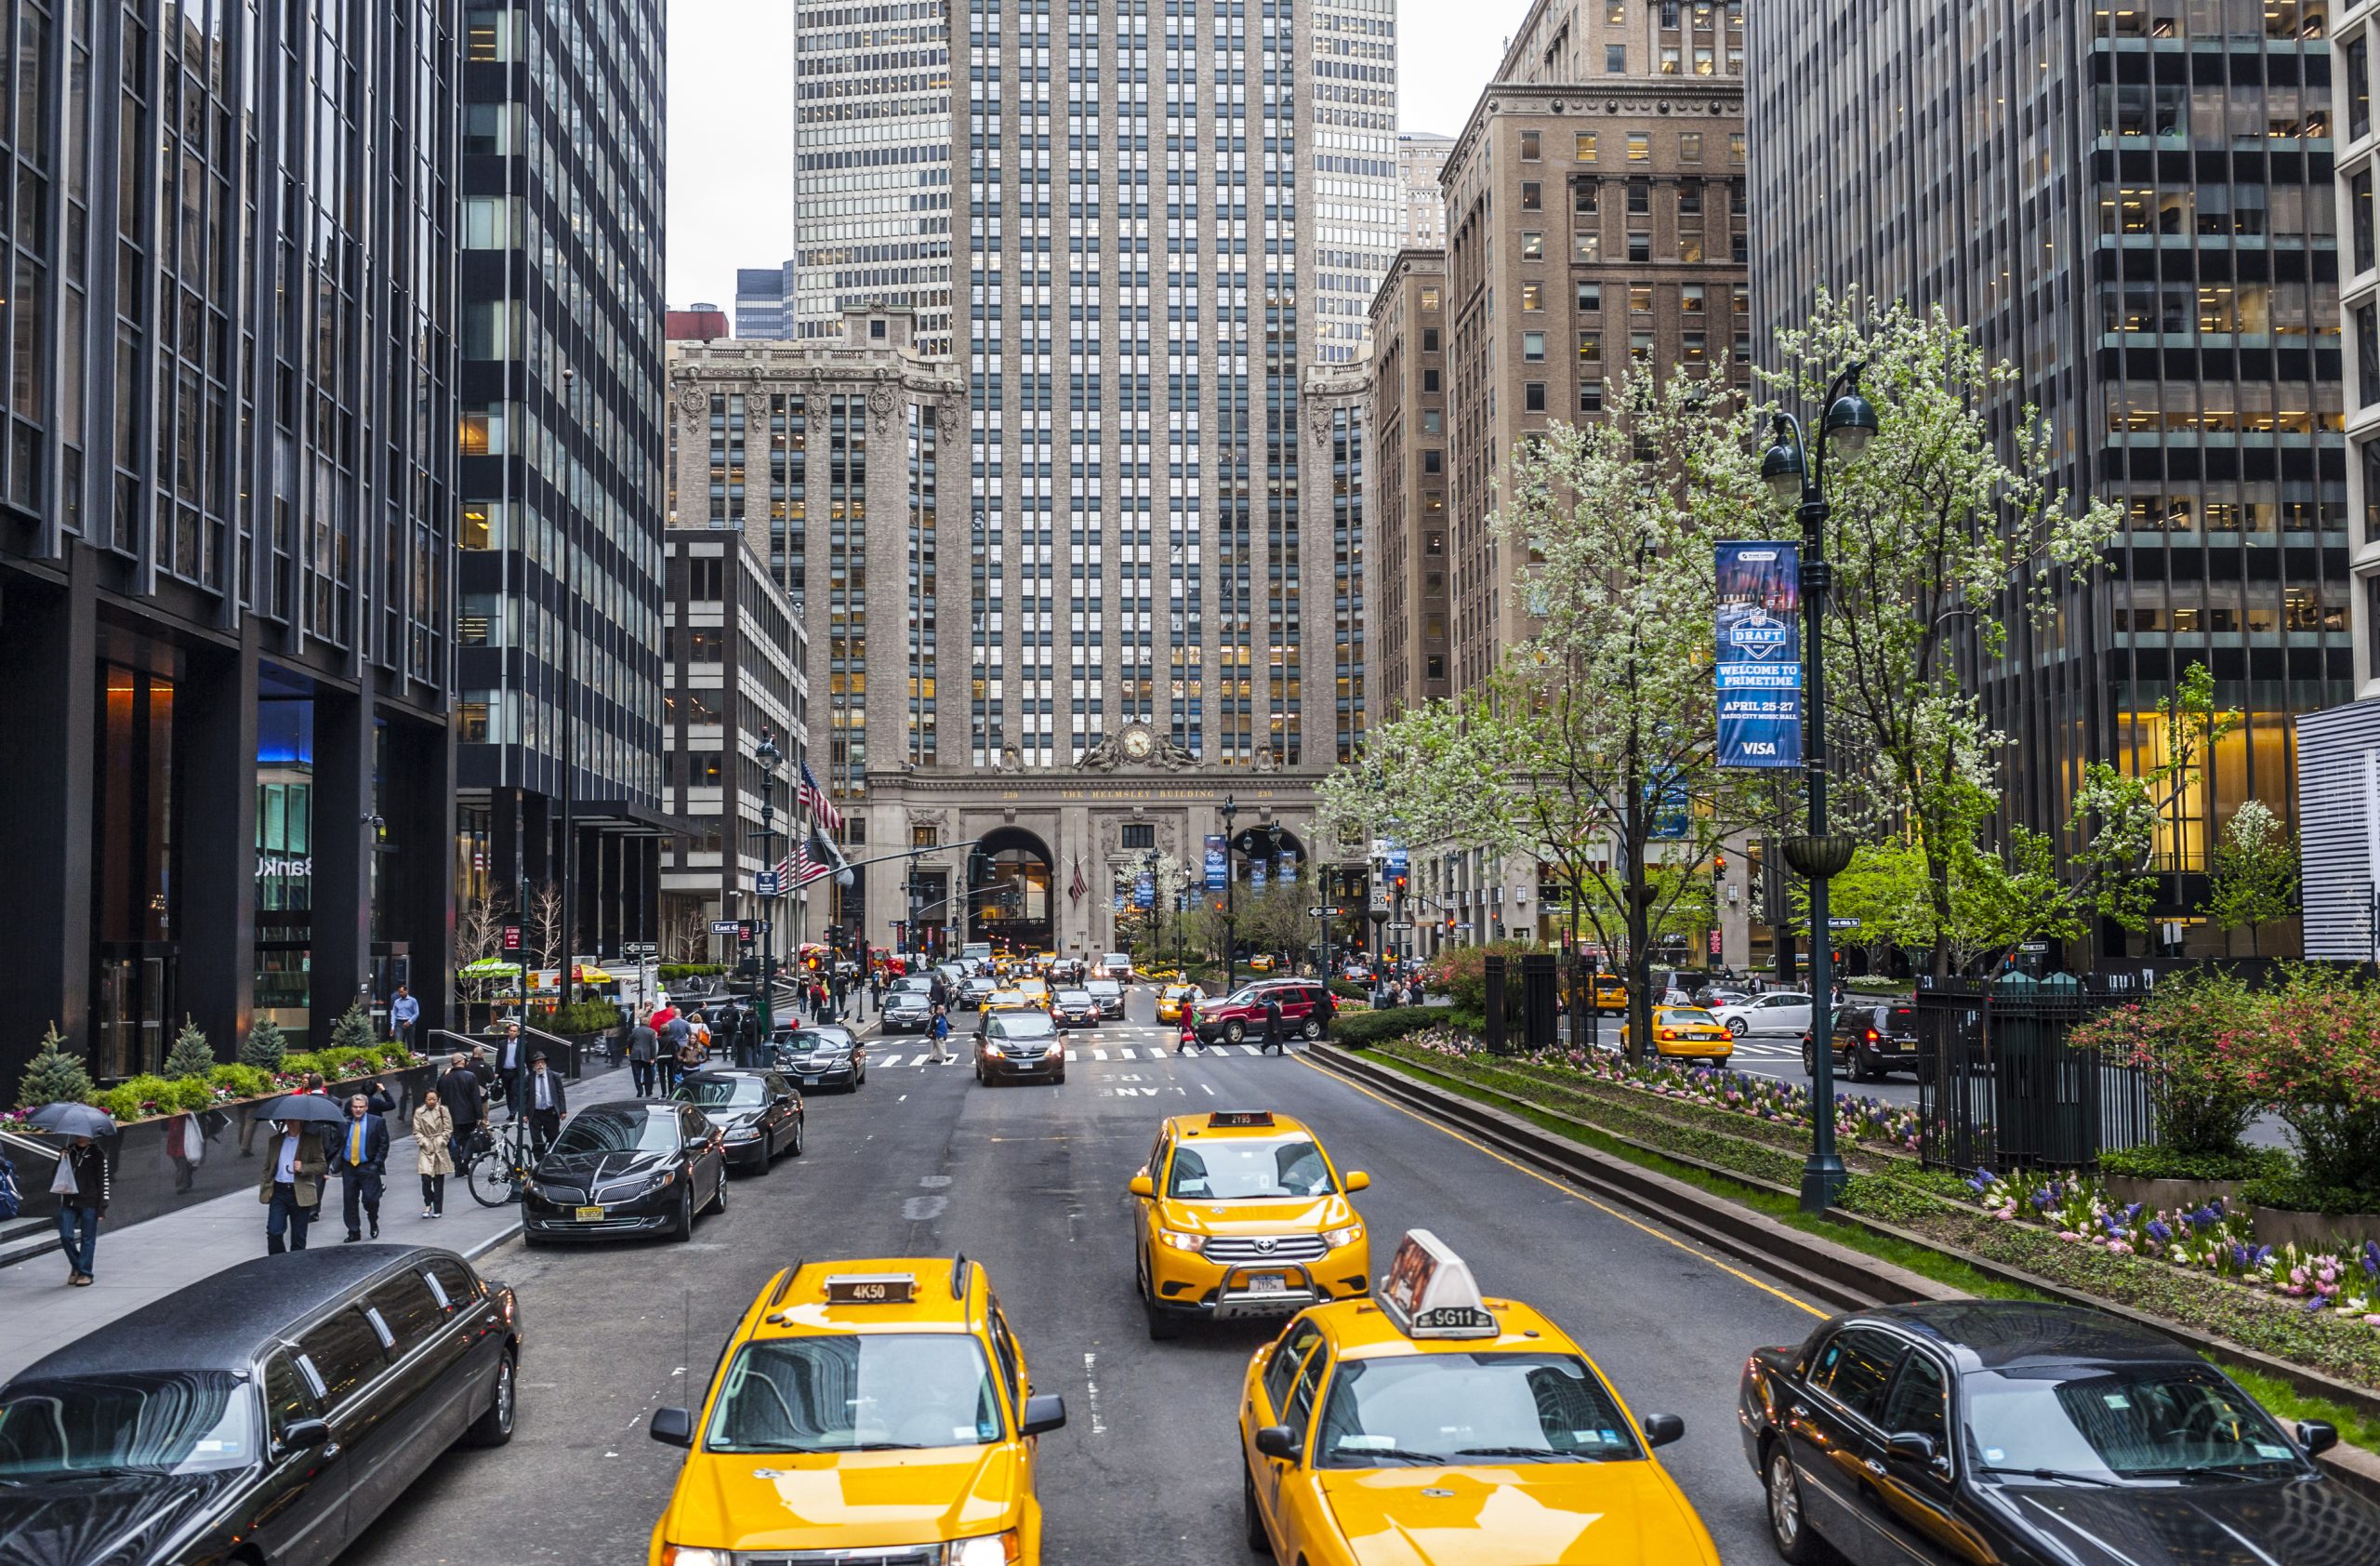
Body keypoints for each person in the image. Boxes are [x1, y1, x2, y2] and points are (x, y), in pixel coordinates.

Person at [259, 1119, 327, 1254]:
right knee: (274, 1231)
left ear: (301, 1121)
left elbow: (322, 1165)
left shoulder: (311, 1140)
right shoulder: (275, 1140)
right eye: (288, 1119)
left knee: (298, 1236)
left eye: (294, 1120)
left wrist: (304, 1167)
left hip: (300, 1192)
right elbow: (268, 1167)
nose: (291, 1122)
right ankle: (278, 1260)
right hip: (279, 1191)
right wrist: (266, 1185)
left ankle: (296, 1263)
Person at [334, 1088, 393, 1242]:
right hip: (349, 1167)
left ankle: (373, 1221)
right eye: (355, 1107)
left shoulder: (377, 1122)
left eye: (361, 1107)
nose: (358, 1110)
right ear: (351, 1107)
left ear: (366, 1107)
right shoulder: (344, 1123)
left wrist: (376, 1164)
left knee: (370, 1200)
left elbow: (384, 1144)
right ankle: (354, 1231)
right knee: (349, 1200)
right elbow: (337, 1143)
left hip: (368, 1166)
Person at [52, 1134, 109, 1287]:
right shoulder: (69, 1151)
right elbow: (56, 1176)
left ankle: (85, 1273)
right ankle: (77, 1265)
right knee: (65, 1236)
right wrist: (61, 1159)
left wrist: (102, 1207)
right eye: (77, 1135)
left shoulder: (97, 1153)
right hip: (69, 1201)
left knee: (87, 1239)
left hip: (90, 1202)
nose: (79, 1137)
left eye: (83, 1135)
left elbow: (103, 1181)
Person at [435, 1052, 486, 1173]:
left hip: (450, 1115)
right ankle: (465, 1161)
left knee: (455, 1139)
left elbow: (438, 1094)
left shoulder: (444, 1079)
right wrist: (479, 1115)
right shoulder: (470, 1076)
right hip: (468, 1115)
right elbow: (476, 1098)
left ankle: (458, 1163)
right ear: (462, 1062)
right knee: (468, 1139)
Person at [413, 1090, 453, 1218]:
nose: (431, 1101)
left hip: (439, 1147)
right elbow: (417, 1130)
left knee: (439, 1179)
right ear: (425, 1099)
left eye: (434, 1099)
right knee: (425, 1178)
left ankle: (438, 1208)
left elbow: (448, 1128)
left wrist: (442, 1140)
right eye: (429, 1099)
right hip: (426, 1147)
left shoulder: (443, 1110)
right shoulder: (419, 1112)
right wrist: (423, 1141)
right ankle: (428, 1203)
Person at [523, 1051, 567, 1156]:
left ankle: (552, 1156)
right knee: (536, 1139)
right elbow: (524, 1097)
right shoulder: (529, 1078)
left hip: (550, 1112)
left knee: (553, 1137)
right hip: (535, 1113)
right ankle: (539, 1158)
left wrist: (563, 1110)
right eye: (537, 1063)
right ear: (534, 1066)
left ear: (545, 1064)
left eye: (542, 1062)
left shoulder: (554, 1076)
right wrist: (524, 1114)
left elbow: (560, 1094)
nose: (540, 1065)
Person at [627, 1016, 661, 1095]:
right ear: (649, 1022)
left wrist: (631, 1052)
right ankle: (648, 1091)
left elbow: (630, 1043)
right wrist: (653, 1057)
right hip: (647, 1055)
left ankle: (640, 1090)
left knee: (636, 1074)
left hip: (635, 1054)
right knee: (648, 1074)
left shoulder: (634, 1031)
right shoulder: (651, 1031)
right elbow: (653, 1046)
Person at [389, 984, 420, 1051]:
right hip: (399, 1023)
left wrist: (410, 1021)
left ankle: (411, 1055)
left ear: (406, 991)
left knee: (410, 1042)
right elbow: (393, 1014)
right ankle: (400, 1056)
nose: (400, 994)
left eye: (402, 992)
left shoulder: (413, 1000)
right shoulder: (397, 1002)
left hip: (409, 1023)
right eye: (399, 992)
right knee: (398, 1042)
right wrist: (392, 1027)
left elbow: (416, 1013)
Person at [1262, 991, 1285, 1055]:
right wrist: (1275, 1028)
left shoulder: (1272, 1006)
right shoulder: (1275, 1008)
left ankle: (1280, 1051)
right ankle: (1279, 1051)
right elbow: (1274, 1019)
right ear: (1279, 1000)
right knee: (1276, 1038)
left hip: (1274, 1025)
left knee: (1277, 1039)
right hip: (1276, 1025)